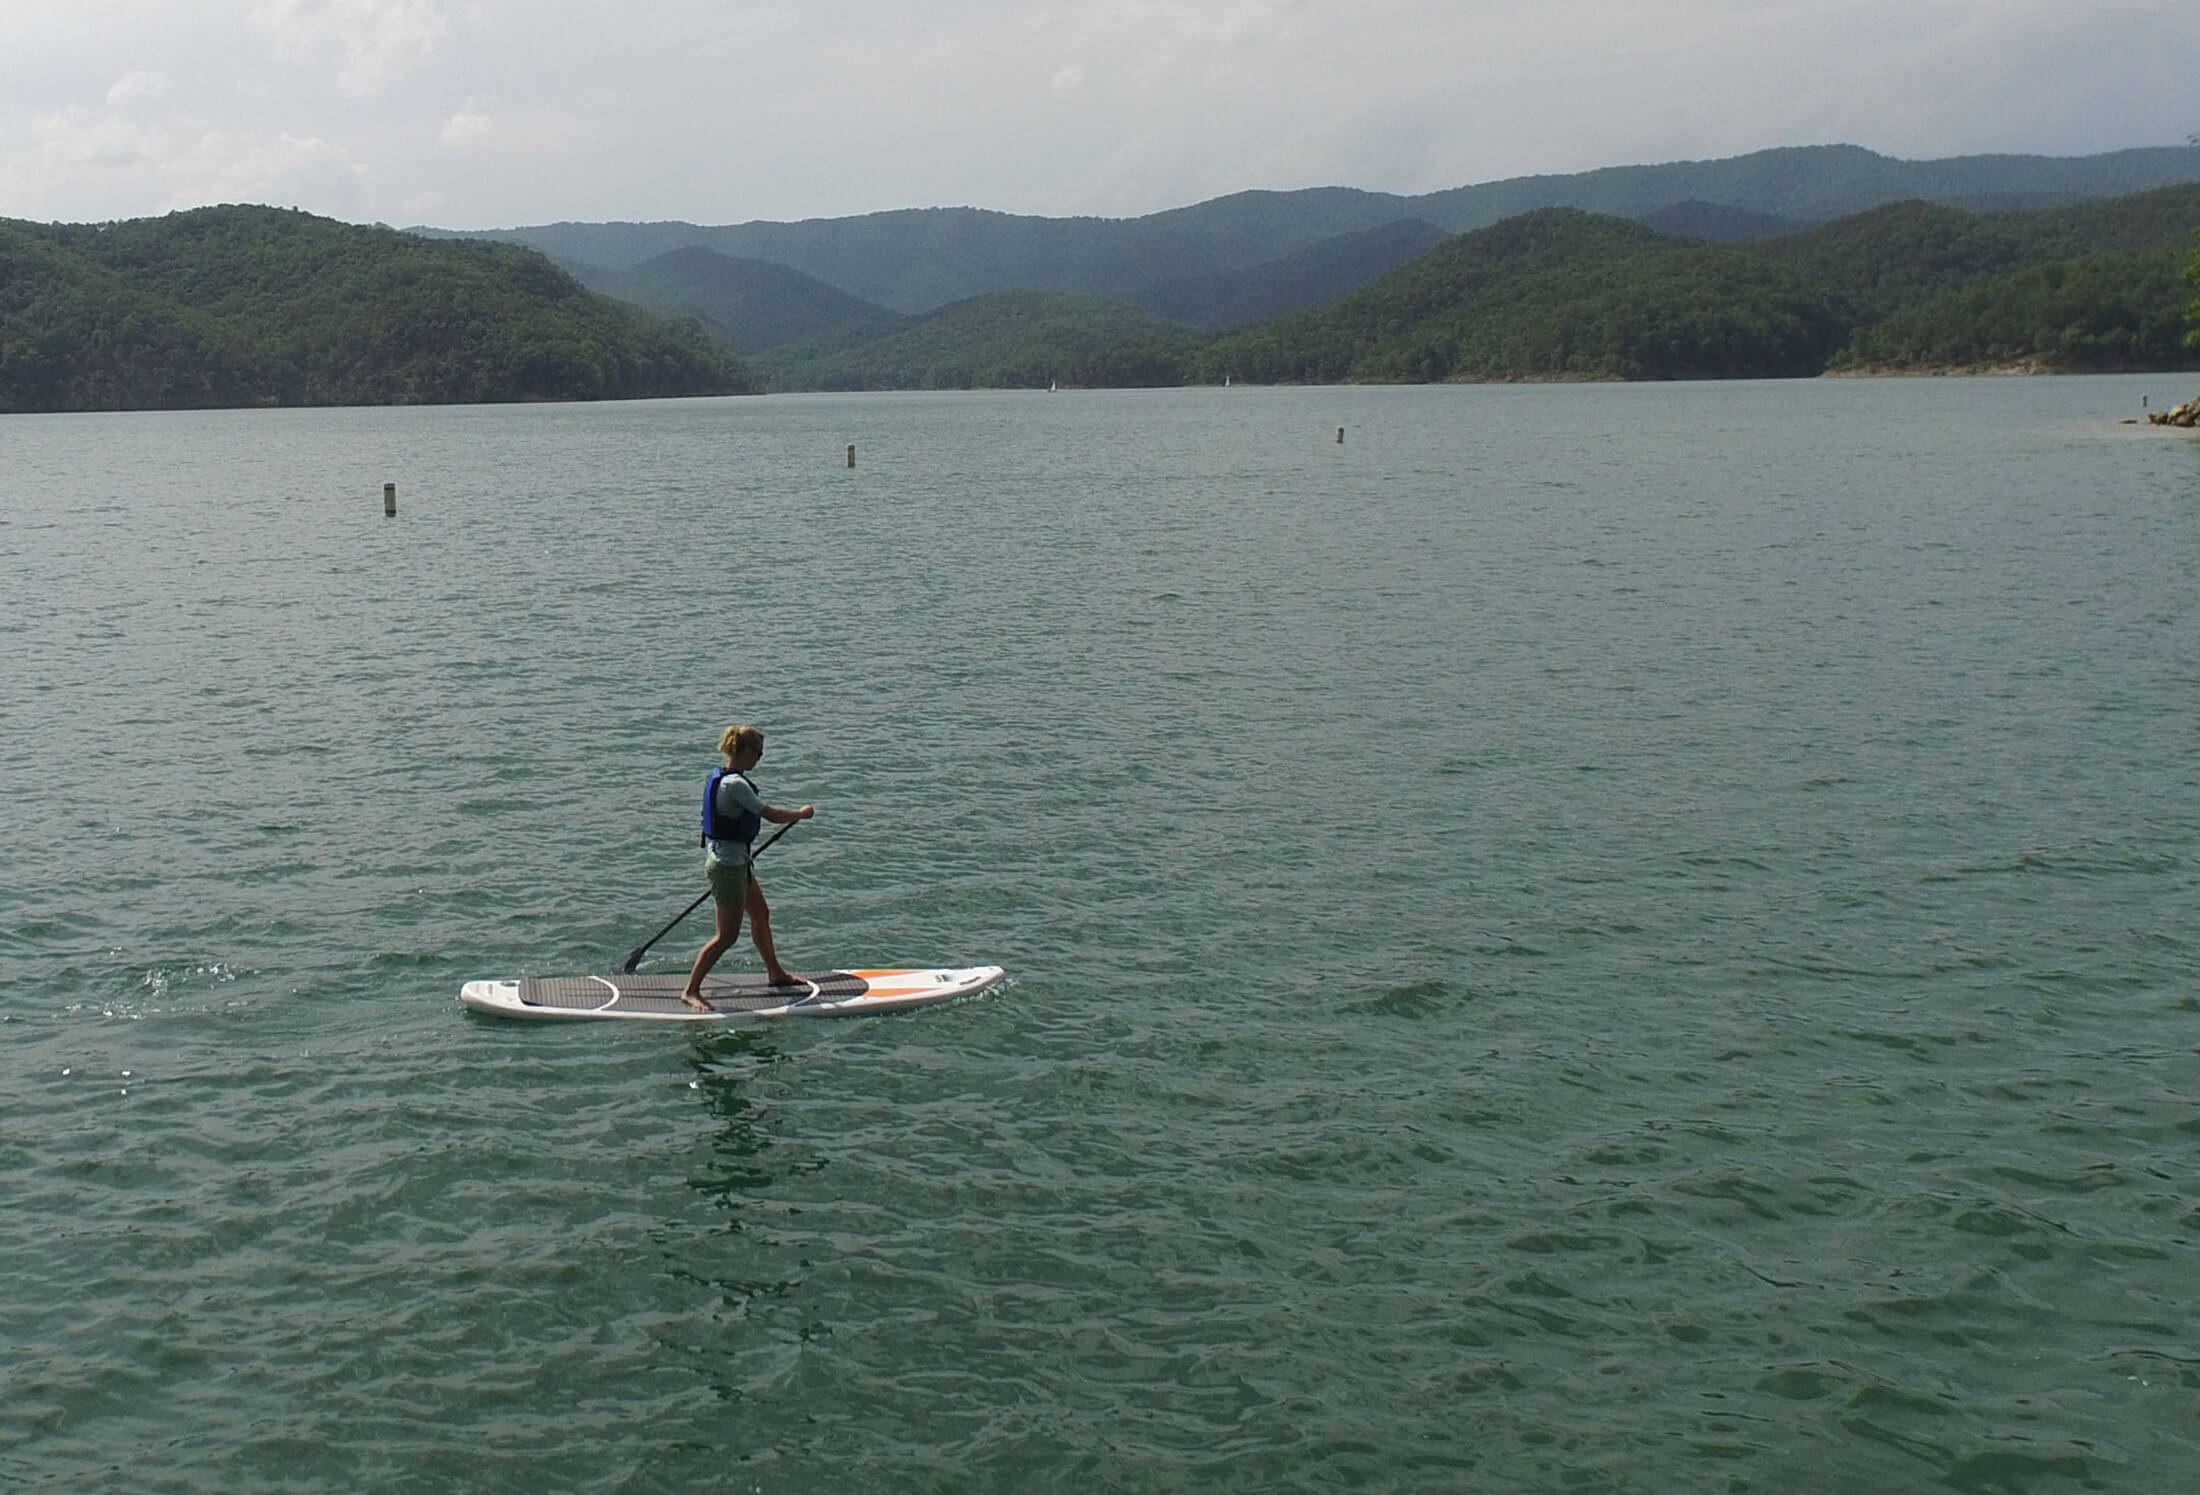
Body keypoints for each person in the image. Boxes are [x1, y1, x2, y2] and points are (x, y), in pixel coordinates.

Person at [682, 725, 815, 1011]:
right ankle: (691, 990)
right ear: (743, 752)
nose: (760, 758)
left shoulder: (727, 778)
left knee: (761, 915)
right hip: (726, 869)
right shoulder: (735, 785)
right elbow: (770, 815)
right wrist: (801, 814)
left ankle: (775, 973)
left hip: (738, 863)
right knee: (727, 936)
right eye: (758, 752)